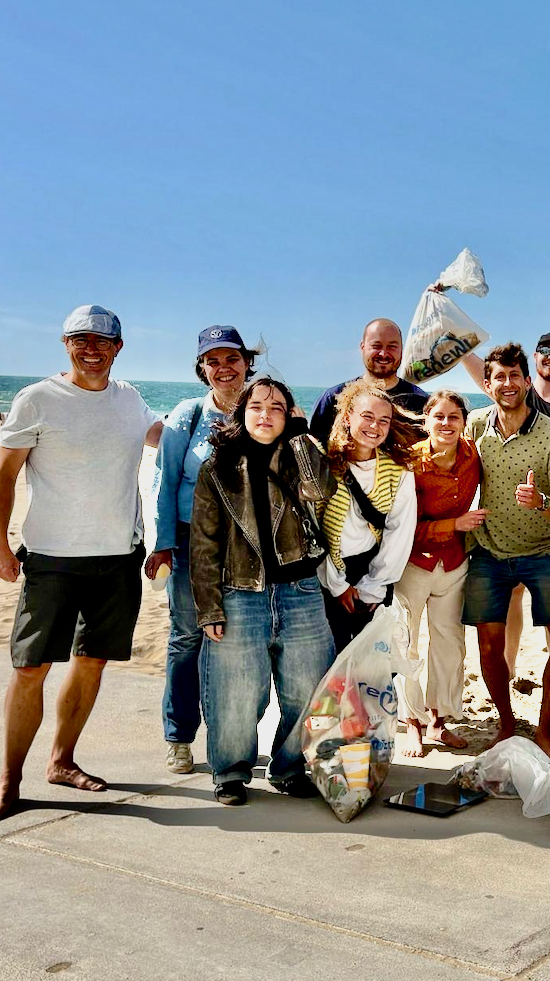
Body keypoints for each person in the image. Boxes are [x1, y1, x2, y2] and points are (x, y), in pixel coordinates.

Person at [0, 305, 162, 822]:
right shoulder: (36, 399)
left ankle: (62, 762)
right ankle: (10, 780)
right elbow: (2, 477)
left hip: (119, 558)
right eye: (82, 340)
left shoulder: (130, 400)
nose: (93, 349)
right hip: (52, 560)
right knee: (30, 667)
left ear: (119, 348)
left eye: (104, 341)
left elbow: (165, 441)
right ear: (65, 344)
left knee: (92, 661)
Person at [189, 379, 336, 806]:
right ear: (241, 414)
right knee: (236, 692)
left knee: (306, 690)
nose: (265, 414)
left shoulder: (302, 456)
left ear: (288, 413)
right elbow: (204, 544)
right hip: (239, 593)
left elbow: (320, 491)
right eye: (256, 406)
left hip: (301, 590)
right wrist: (209, 607)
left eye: (277, 407)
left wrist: (302, 435)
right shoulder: (216, 470)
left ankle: (289, 768)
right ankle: (231, 772)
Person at [147, 325, 258, 776]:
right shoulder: (186, 416)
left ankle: (231, 740)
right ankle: (179, 737)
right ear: (202, 369)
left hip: (249, 548)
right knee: (188, 638)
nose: (222, 368)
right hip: (193, 545)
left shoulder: (265, 409)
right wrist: (164, 544)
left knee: (240, 644)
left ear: (246, 362)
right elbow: (165, 480)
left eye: (230, 358)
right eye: (212, 361)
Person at [464, 343, 550, 765]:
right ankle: (507, 723)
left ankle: (545, 730)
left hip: (541, 549)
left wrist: (542, 503)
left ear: (527, 382)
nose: (508, 384)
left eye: (515, 376)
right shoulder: (474, 425)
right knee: (488, 646)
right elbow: (443, 462)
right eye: (499, 377)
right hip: (489, 551)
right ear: (487, 383)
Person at [396, 389, 484, 757]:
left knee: (450, 645)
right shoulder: (409, 462)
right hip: (412, 564)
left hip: (453, 564)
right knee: (407, 645)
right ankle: (412, 723)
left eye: (454, 417)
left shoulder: (472, 457)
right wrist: (455, 523)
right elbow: (400, 525)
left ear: (464, 422)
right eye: (439, 417)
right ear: (426, 420)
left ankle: (438, 721)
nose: (446, 424)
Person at [317, 382, 418, 652]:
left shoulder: (399, 471)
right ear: (348, 417)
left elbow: (400, 531)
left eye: (383, 420)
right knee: (332, 663)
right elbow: (314, 531)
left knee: (372, 666)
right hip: (329, 575)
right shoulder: (325, 465)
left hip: (373, 571)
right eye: (367, 417)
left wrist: (375, 585)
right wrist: (337, 585)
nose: (375, 426)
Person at [309, 318, 430, 446]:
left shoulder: (421, 402)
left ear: (401, 350)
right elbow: (314, 450)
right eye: (376, 346)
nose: (383, 353)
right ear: (362, 348)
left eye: (392, 347)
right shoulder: (334, 398)